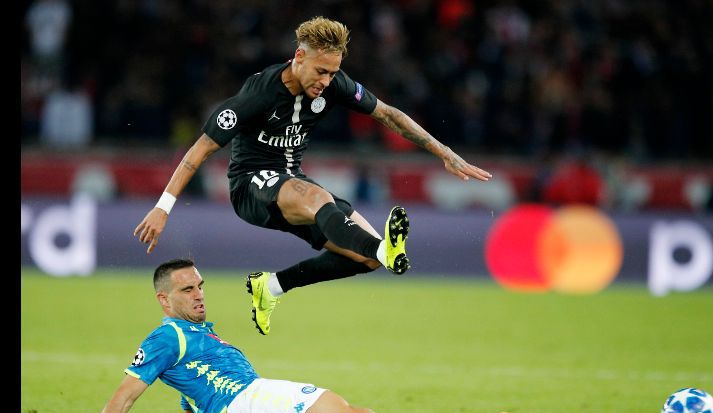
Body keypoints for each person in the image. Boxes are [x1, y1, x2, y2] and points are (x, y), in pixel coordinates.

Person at [132, 16, 492, 336]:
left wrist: (444, 152)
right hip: (251, 186)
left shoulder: (334, 84)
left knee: (362, 258)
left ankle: (272, 287)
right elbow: (199, 151)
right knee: (322, 202)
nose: (327, 81)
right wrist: (164, 207)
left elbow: (389, 115)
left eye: (334, 72)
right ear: (299, 57)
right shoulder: (258, 94)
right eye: (321, 71)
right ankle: (386, 250)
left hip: (294, 182)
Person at [47, 259, 510, 413]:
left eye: (201, 285)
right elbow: (126, 393)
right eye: (187, 290)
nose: (200, 294)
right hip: (252, 403)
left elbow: (190, 390)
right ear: (163, 299)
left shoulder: (196, 334)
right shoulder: (167, 335)